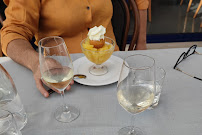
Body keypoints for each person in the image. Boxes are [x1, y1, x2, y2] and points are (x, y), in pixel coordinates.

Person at [1, 0, 149, 97]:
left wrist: (141, 42)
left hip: (113, 70)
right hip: (64, 78)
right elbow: (12, 33)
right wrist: (36, 63)